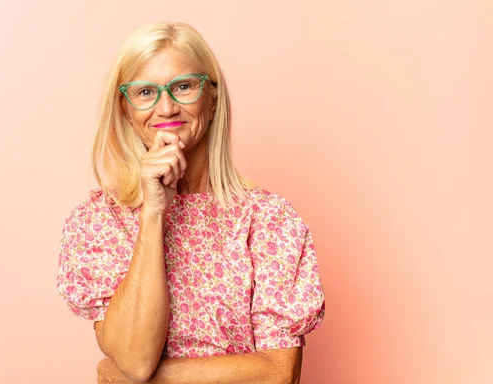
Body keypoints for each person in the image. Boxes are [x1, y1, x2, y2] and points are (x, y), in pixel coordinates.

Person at [57, 22, 326, 384]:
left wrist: (136, 379)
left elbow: (278, 375)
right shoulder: (98, 223)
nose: (165, 107)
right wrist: (153, 213)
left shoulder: (268, 221)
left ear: (212, 100)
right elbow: (135, 361)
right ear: (126, 110)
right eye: (145, 91)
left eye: (183, 86)